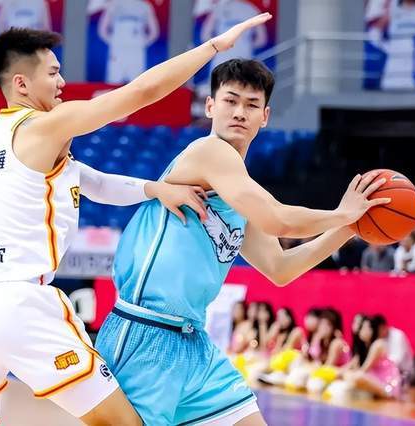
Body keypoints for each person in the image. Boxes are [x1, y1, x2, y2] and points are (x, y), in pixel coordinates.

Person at [0, 17, 273, 426]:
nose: (62, 82)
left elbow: (91, 181)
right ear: (22, 84)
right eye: (53, 73)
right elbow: (140, 93)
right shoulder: (45, 126)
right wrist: (212, 47)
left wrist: (155, 189)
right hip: (17, 303)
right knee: (125, 423)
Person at [95, 57, 390, 424]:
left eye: (251, 105)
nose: (239, 112)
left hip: (193, 342)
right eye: (230, 101)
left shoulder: (243, 195)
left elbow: (280, 269)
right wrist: (341, 215)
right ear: (210, 106)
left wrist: (350, 228)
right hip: (145, 334)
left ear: (265, 117)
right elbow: (279, 220)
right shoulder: (210, 152)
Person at [98, 0, 160, 84]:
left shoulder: (145, 6)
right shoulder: (113, 4)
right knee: (114, 81)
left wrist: (141, 44)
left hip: (136, 52)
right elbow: (102, 30)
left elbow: (154, 32)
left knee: (137, 84)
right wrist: (114, 42)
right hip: (118, 51)